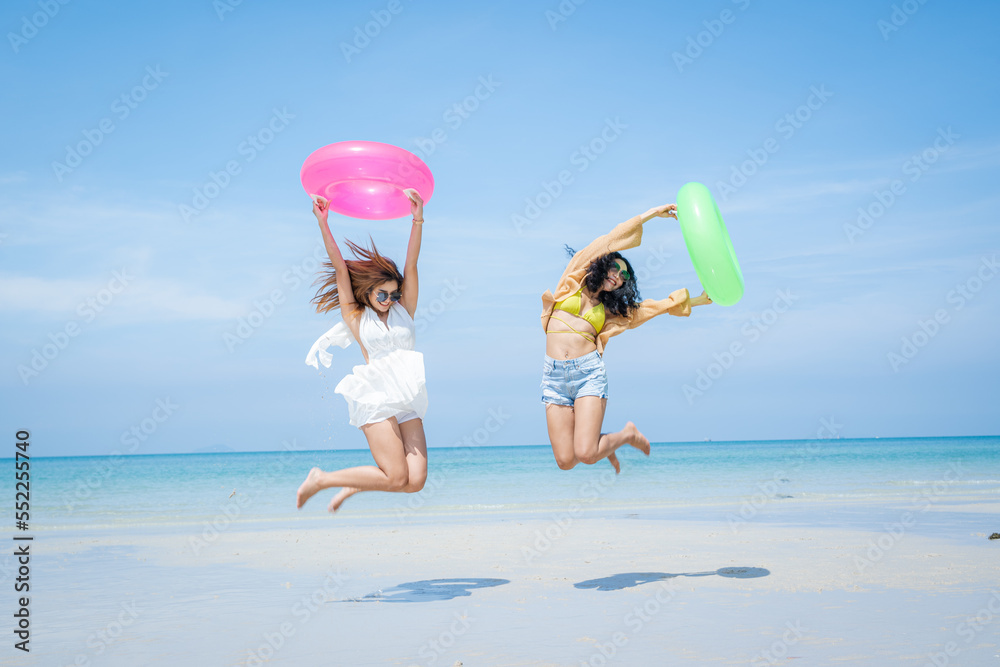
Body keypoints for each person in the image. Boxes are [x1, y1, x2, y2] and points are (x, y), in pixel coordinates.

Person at [540, 203, 713, 473]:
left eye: (623, 277)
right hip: (554, 377)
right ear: (604, 264)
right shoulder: (573, 279)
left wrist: (699, 300)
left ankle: (627, 435)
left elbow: (653, 308)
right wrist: (653, 214)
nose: (618, 277)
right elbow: (612, 237)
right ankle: (604, 445)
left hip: (588, 374)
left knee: (585, 454)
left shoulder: (611, 312)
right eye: (615, 269)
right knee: (565, 461)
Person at [296, 192, 428, 512]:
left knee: (415, 481)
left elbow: (411, 263)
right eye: (382, 294)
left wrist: (417, 218)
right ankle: (322, 479)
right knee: (396, 477)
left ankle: (356, 484)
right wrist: (322, 222)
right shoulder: (356, 318)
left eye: (394, 295)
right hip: (376, 396)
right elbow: (341, 269)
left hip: (408, 395)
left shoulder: (404, 311)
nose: (389, 299)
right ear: (368, 291)